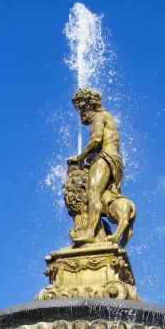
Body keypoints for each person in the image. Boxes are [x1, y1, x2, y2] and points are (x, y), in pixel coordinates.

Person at [67, 88, 124, 242]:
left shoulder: (98, 116)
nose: (80, 113)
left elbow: (96, 140)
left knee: (93, 193)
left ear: (88, 104)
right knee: (103, 197)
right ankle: (99, 229)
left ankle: (90, 232)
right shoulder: (108, 117)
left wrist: (80, 158)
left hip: (104, 158)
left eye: (81, 107)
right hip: (113, 158)